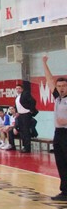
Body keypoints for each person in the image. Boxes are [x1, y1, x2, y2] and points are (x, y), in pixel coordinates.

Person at [42, 55, 67, 201]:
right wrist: (44, 63)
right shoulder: (58, 98)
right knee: (61, 163)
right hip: (58, 134)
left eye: (64, 86)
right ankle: (65, 191)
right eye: (59, 86)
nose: (61, 88)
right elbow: (49, 80)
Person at [14, 82, 36, 153]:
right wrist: (17, 112)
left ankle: (27, 148)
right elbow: (17, 105)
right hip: (20, 115)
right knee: (22, 131)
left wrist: (31, 110)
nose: (18, 90)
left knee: (26, 131)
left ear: (22, 89)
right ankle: (24, 146)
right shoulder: (17, 96)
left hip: (26, 114)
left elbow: (33, 101)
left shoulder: (25, 94)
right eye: (17, 89)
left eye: (19, 88)